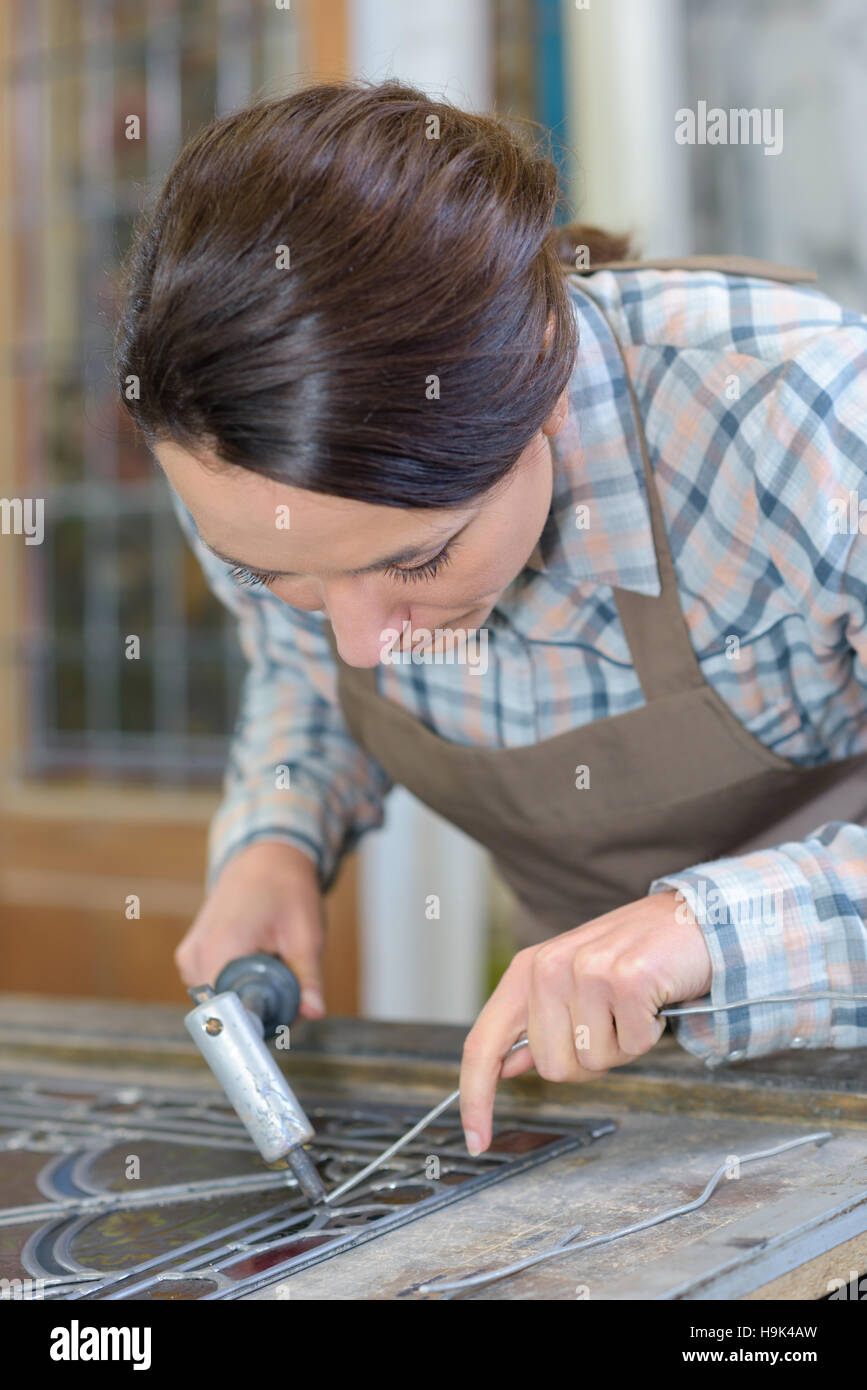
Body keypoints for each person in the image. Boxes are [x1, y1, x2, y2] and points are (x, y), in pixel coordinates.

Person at [116, 79, 867, 1159]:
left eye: (418, 558)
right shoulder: (249, 463)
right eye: (276, 574)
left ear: (546, 392)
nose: (364, 639)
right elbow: (306, 679)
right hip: (599, 1098)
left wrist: (704, 932)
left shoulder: (805, 412)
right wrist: (276, 841)